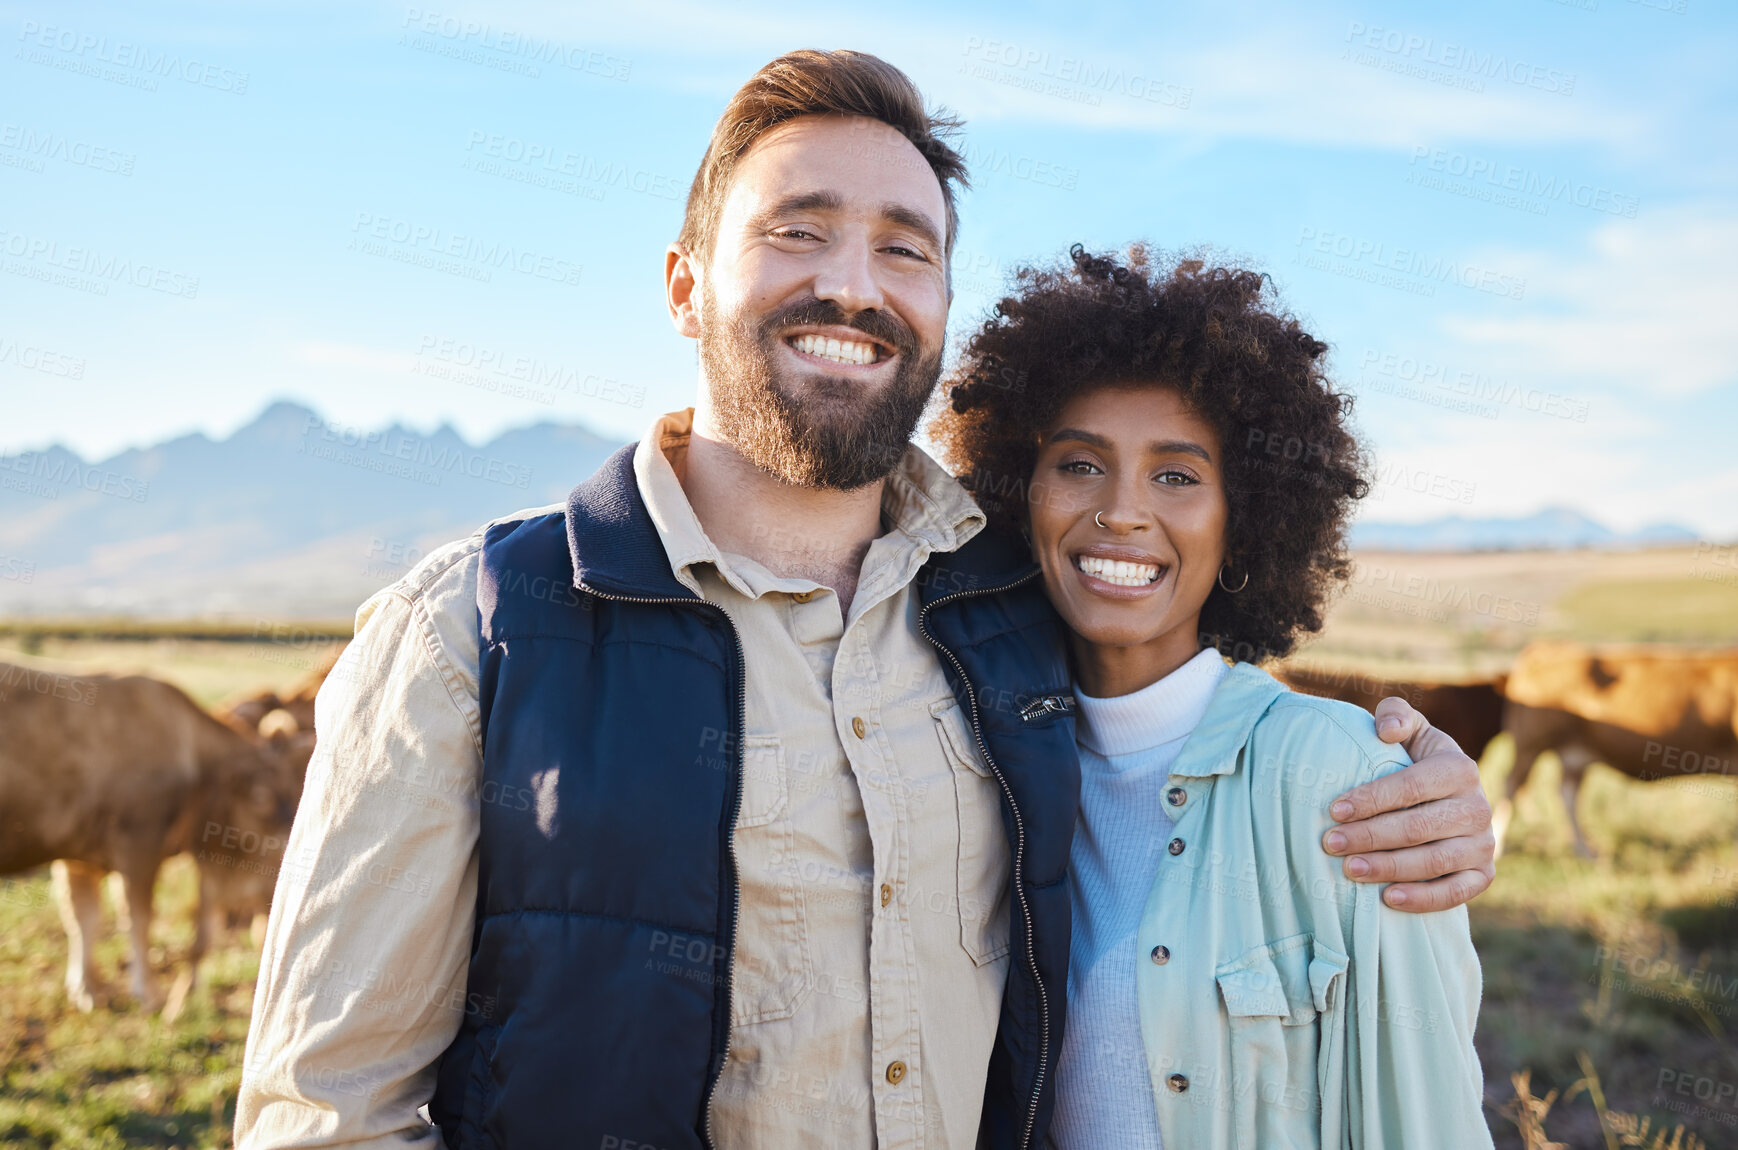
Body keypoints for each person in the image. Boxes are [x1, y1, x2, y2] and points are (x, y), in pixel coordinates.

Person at [235, 51, 1496, 1150]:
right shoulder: (476, 632)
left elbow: (1177, 727)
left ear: (941, 312)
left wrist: (1425, 797)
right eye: (797, 229)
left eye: (905, 247)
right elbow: (327, 1109)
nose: (854, 284)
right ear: (683, 286)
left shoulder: (1004, 617)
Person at [932, 245, 1493, 1148]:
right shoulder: (976, 759)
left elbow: (1423, 1117)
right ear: (1019, 494)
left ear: (1248, 524)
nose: (1121, 510)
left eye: (1177, 475)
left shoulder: (1340, 776)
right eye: (1078, 463)